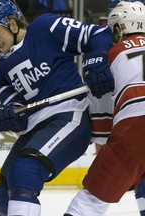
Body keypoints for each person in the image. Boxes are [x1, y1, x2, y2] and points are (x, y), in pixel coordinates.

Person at [0, 0, 114, 215]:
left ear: (12, 24)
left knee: (25, 170)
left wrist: (96, 59)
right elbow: (18, 111)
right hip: (35, 127)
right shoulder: (1, 71)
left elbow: (99, 34)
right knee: (2, 193)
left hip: (70, 114)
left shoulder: (45, 27)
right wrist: (5, 114)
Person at [64, 1, 145, 215]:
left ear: (118, 28)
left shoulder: (108, 56)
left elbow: (102, 123)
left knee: (91, 201)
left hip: (136, 126)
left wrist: (107, 155)